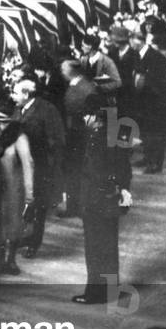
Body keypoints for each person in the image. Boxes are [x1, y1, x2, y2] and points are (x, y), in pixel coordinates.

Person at [72, 96, 125, 304]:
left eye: (87, 115)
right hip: (110, 200)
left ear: (95, 117)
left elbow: (93, 173)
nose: (85, 119)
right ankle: (112, 290)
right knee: (109, 246)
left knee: (94, 248)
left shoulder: (96, 139)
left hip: (95, 202)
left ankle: (94, 293)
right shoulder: (113, 135)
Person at [13, 78, 65, 258]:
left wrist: (46, 164)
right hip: (23, 166)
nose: (13, 96)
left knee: (39, 207)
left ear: (26, 94)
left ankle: (34, 243)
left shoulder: (47, 110)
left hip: (41, 168)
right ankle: (25, 237)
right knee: (25, 205)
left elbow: (56, 140)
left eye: (16, 93)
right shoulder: (20, 109)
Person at [0, 99, 34, 274]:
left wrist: (30, 195)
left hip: (13, 188)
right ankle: (0, 262)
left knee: (13, 225)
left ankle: (11, 260)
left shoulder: (19, 137)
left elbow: (28, 165)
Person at [130, 31, 166, 174]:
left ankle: (156, 163)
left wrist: (145, 83)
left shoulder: (156, 57)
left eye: (131, 41)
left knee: (155, 132)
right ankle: (148, 157)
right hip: (144, 101)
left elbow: (163, 81)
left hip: (156, 102)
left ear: (138, 41)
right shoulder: (139, 55)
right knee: (145, 132)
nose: (131, 45)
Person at [59, 59, 97, 217]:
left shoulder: (83, 89)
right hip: (78, 134)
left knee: (76, 171)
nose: (61, 71)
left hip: (78, 136)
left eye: (63, 69)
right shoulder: (82, 85)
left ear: (72, 71)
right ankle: (78, 205)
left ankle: (76, 206)